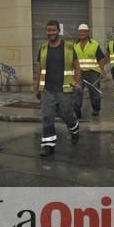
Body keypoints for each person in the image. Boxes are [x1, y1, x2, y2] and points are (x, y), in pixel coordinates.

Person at [35, 20, 81, 156]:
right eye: (48, 30)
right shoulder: (43, 48)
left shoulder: (68, 47)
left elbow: (77, 66)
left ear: (58, 31)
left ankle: (74, 129)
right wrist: (37, 88)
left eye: (53, 30)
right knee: (47, 116)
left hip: (64, 89)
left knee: (67, 114)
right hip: (48, 89)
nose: (51, 33)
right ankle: (48, 145)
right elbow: (40, 69)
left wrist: (77, 82)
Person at [72, 24, 106, 118]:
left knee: (94, 92)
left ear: (87, 32)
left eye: (84, 31)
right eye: (80, 31)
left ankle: (96, 109)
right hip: (80, 72)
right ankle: (76, 110)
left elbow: (101, 59)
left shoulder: (94, 44)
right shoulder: (75, 45)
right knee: (77, 91)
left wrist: (102, 71)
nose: (82, 33)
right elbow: (73, 60)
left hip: (92, 72)